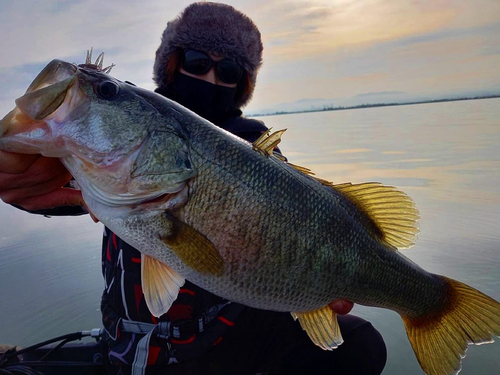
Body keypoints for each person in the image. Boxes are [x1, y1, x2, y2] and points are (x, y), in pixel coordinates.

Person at [0, 3, 386, 374]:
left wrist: (311, 281)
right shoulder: (133, 135)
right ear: (172, 64)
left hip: (232, 327)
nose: (210, 80)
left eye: (230, 70)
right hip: (145, 343)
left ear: (244, 83)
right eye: (197, 63)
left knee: (360, 343)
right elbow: (57, 185)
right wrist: (16, 177)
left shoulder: (259, 148)